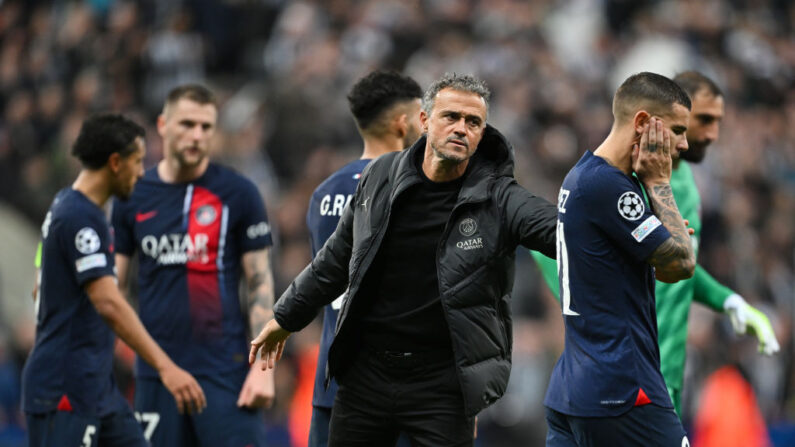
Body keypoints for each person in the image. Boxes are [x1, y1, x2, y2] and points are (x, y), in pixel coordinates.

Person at [250, 73, 558, 447]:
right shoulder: (380, 175)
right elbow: (335, 259)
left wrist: (634, 237)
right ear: (425, 121)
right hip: (367, 376)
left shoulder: (500, 198)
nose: (461, 128)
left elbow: (562, 232)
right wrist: (285, 317)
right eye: (451, 117)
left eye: (473, 122)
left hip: (442, 386)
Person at [532, 71, 780, 415]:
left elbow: (683, 260)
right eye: (697, 122)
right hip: (630, 373)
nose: (710, 135)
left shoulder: (685, 182)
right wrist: (591, 319)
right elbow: (552, 246)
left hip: (667, 371)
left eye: (718, 122)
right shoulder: (630, 183)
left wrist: (729, 301)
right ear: (652, 121)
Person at [22, 114, 206, 447]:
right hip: (64, 392)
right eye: (137, 162)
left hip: (96, 388)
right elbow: (107, 301)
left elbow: (39, 281)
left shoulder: (68, 206)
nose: (141, 171)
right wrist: (166, 367)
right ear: (115, 162)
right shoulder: (79, 218)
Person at [111, 85, 276, 446]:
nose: (197, 135)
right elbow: (113, 289)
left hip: (225, 372)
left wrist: (264, 370)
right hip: (157, 375)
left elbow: (259, 283)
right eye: (187, 124)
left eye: (206, 127)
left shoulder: (239, 193)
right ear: (163, 125)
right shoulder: (131, 196)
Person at [544, 72, 696, 446]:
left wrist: (664, 232)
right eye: (677, 130)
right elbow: (680, 266)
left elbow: (659, 266)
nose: (685, 144)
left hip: (574, 388)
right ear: (643, 122)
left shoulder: (582, 176)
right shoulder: (608, 187)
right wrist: (660, 185)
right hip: (623, 390)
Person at [306, 70, 423, 447]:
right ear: (402, 124)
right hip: (399, 395)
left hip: (334, 389)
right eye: (423, 116)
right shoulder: (415, 191)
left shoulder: (324, 194)